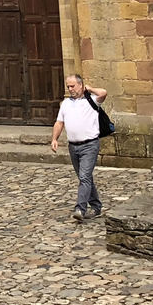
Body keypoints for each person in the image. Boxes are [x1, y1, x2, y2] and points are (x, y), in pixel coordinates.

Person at [50, 73, 109, 222]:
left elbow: (104, 93)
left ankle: (80, 209)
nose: (70, 89)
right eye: (68, 86)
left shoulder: (92, 101)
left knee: (84, 177)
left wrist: (90, 88)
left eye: (72, 86)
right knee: (85, 177)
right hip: (73, 146)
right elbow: (59, 123)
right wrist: (54, 139)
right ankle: (96, 207)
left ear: (80, 85)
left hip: (89, 145)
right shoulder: (66, 104)